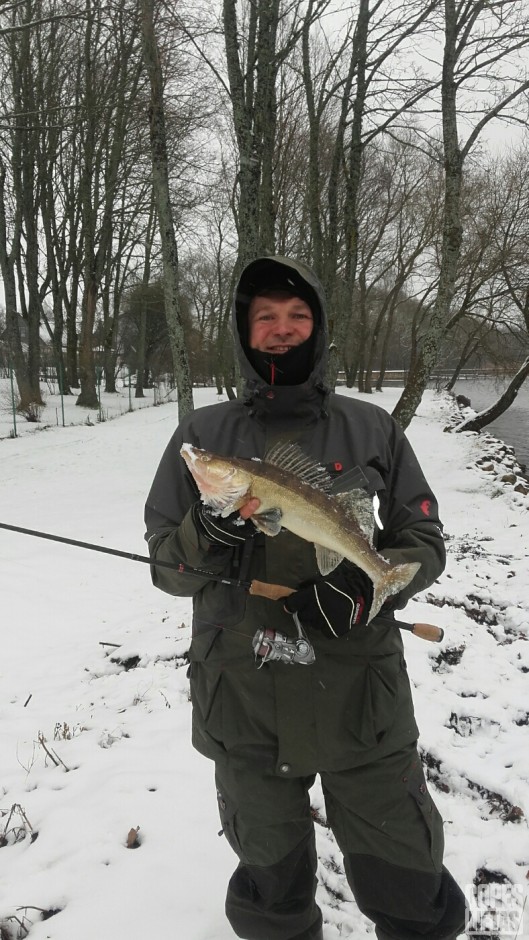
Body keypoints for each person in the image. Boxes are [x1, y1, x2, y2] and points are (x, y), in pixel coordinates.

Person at [144, 256, 466, 940]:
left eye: (297, 315)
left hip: (361, 695)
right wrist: (205, 532)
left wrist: (365, 585)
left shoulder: (371, 427)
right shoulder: (201, 435)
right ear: (244, 331)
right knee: (272, 893)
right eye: (266, 316)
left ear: (318, 329)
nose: (282, 328)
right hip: (243, 700)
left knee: (409, 885)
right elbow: (168, 569)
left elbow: (423, 536)